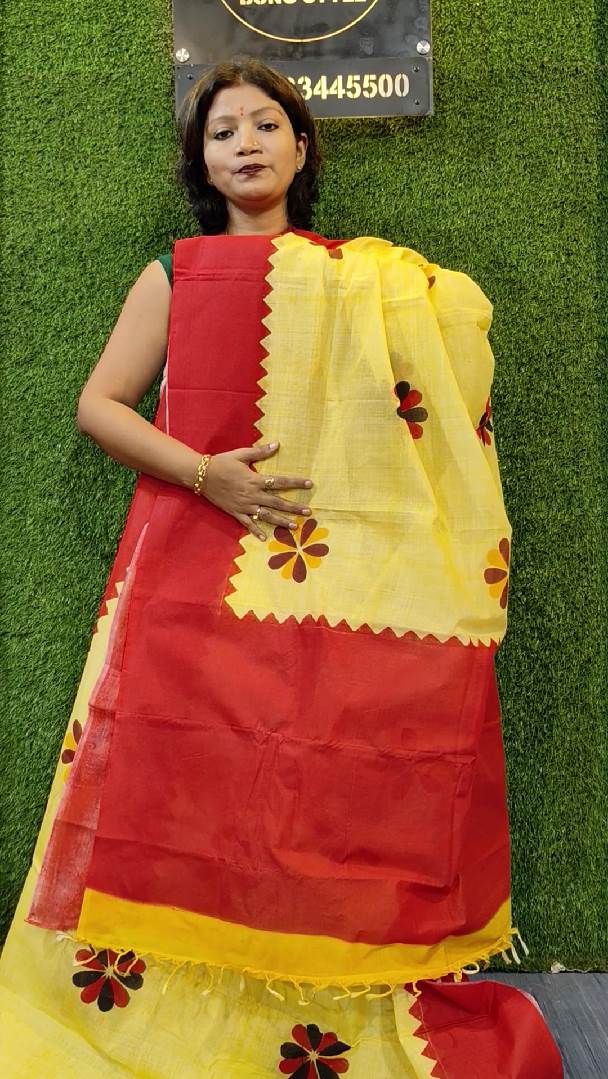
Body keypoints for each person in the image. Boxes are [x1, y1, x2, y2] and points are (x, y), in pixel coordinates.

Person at [0, 59, 563, 1077]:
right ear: (202, 163)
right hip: (188, 564)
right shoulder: (176, 273)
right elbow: (99, 405)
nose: (246, 144)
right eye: (223, 132)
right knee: (184, 785)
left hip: (332, 588)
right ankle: (160, 1012)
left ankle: (305, 1009)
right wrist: (205, 473)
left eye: (266, 125)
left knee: (308, 791)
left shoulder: (369, 281)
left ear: (302, 148)